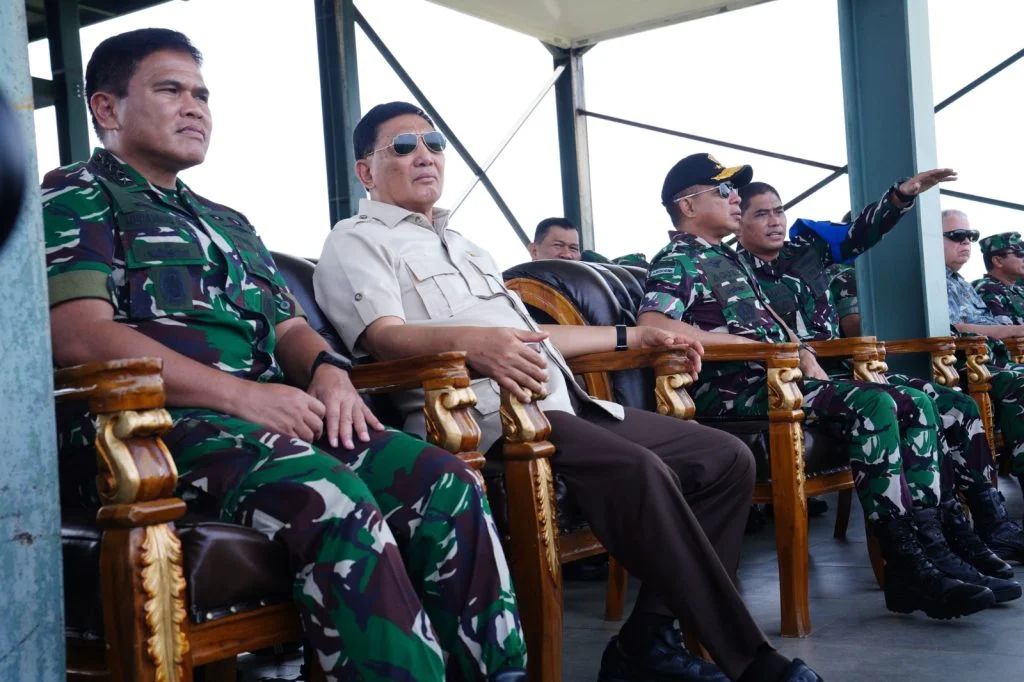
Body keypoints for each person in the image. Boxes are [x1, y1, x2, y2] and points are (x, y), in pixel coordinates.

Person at [42, 30, 527, 682]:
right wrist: (242, 395)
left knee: (448, 483)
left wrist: (329, 374)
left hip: (269, 417)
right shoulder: (76, 195)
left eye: (203, 95)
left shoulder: (229, 220)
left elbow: (289, 325)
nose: (196, 108)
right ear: (106, 108)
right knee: (331, 497)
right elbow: (79, 336)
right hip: (146, 427)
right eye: (171, 90)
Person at [314, 101, 824, 682]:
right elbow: (384, 337)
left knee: (724, 458)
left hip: (567, 403)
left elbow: (536, 334)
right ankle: (750, 659)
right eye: (402, 146)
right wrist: (477, 343)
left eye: (432, 142)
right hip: (485, 416)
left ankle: (647, 643)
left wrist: (637, 333)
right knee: (642, 470)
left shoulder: (466, 246)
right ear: (365, 171)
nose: (424, 155)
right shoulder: (355, 241)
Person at [637, 152, 1000, 621]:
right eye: (724, 191)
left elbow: (774, 326)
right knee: (875, 402)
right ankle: (906, 560)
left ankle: (931, 543)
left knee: (907, 399)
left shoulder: (728, 260)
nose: (734, 198)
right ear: (688, 205)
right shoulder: (679, 258)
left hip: (779, 382)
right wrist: (736, 342)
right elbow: (654, 323)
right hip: (735, 393)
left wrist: (804, 354)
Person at [734, 180, 1022, 593]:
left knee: (956, 404)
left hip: (836, 372)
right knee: (896, 402)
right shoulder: (734, 270)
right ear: (736, 221)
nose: (775, 221)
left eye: (778, 211)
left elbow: (859, 233)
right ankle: (917, 550)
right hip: (790, 383)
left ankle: (975, 526)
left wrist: (901, 196)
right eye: (761, 214)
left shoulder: (807, 250)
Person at [974, 231, 1024, 324]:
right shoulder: (987, 290)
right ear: (998, 261)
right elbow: (1006, 333)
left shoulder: (1018, 289)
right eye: (1020, 254)